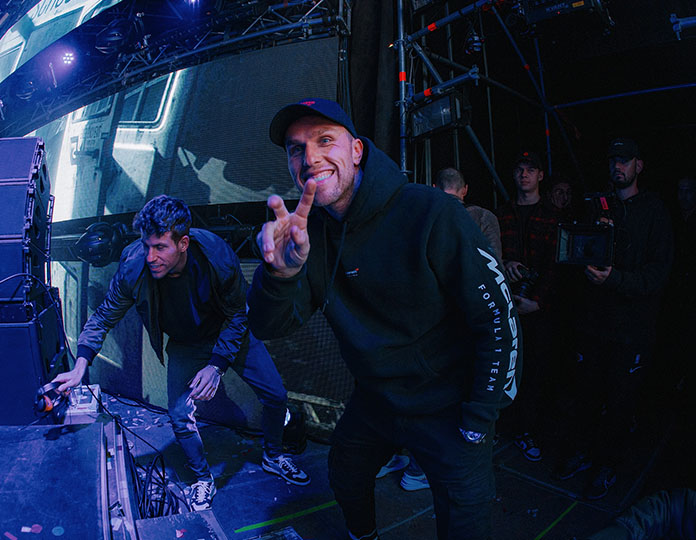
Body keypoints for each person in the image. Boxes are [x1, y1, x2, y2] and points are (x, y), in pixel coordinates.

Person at [246, 97, 521, 540]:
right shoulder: (306, 233)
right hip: (376, 400)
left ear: (357, 150)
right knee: (345, 473)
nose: (310, 157)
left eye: (324, 140)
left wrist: (480, 418)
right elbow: (269, 326)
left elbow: (497, 318)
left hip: (447, 405)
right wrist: (281, 274)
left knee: (464, 518)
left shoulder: (431, 212)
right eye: (297, 149)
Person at [52, 195, 309, 511]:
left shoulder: (216, 255)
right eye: (147, 245)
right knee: (179, 415)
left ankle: (273, 455)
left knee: (276, 395)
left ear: (183, 243)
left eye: (161, 247)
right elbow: (104, 316)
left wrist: (217, 365)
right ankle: (202, 479)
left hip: (230, 333)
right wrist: (81, 365)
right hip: (186, 344)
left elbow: (238, 313)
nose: (151, 256)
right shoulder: (134, 266)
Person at [554, 137, 673, 500]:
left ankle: (607, 464)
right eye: (612, 161)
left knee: (621, 401)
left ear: (639, 165)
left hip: (632, 329)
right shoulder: (597, 205)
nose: (617, 167)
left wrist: (615, 279)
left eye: (624, 160)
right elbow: (576, 252)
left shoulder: (654, 211)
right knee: (586, 393)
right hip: (594, 324)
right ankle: (584, 453)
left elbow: (658, 274)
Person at [494, 151, 558, 462]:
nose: (524, 175)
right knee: (502, 367)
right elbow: (488, 254)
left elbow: (556, 265)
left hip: (537, 309)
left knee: (534, 371)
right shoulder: (501, 214)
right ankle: (501, 426)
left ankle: (526, 429)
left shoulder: (551, 216)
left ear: (540, 175)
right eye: (519, 169)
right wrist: (504, 263)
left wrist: (538, 301)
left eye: (530, 169)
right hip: (505, 305)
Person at [434, 167, 503, 262]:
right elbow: (495, 260)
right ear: (465, 190)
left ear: (434, 188)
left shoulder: (424, 216)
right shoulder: (483, 216)